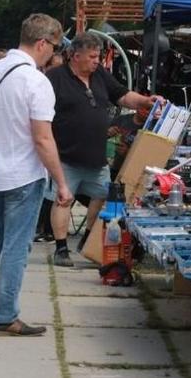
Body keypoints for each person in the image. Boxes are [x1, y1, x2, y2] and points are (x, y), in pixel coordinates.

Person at [0, 13, 73, 337]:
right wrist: (62, 183)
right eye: (53, 48)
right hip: (23, 176)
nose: (54, 55)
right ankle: (6, 316)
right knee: (15, 247)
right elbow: (42, 138)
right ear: (42, 43)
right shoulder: (36, 81)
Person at [45, 32, 162, 267]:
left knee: (101, 196)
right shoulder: (55, 78)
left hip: (96, 157)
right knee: (63, 200)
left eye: (98, 56)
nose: (97, 61)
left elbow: (122, 96)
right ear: (75, 56)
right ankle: (61, 248)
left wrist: (145, 101)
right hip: (65, 156)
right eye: (92, 56)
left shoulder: (99, 74)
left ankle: (88, 239)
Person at [108, 107, 149, 181]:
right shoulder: (122, 120)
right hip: (112, 167)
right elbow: (99, 136)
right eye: (146, 108)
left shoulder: (151, 128)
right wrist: (108, 132)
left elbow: (147, 156)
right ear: (138, 107)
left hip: (131, 172)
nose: (148, 112)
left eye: (152, 110)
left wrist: (128, 152)